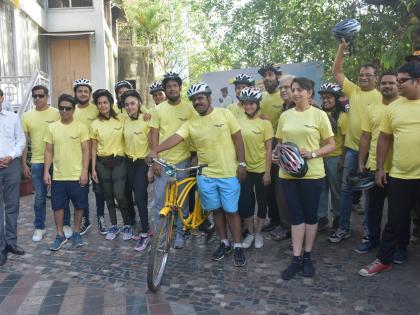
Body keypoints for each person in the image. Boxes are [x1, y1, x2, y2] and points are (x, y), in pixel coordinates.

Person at [148, 82, 247, 267]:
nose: (197, 102)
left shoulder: (225, 114)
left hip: (227, 173)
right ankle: (224, 243)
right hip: (206, 174)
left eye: (201, 98)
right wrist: (156, 150)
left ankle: (238, 246)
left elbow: (238, 140)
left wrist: (241, 163)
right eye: (194, 100)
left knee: (232, 211)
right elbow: (175, 139)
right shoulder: (191, 123)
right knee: (216, 211)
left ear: (209, 98)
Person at [359, 62, 420, 276]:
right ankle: (384, 259)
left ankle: (403, 250)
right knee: (396, 220)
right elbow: (384, 139)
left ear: (417, 81)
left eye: (402, 80)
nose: (398, 84)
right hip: (401, 175)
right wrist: (380, 168)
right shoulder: (393, 107)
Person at [275, 77, 335, 280]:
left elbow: (331, 144)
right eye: (293, 89)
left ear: (310, 93)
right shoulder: (285, 116)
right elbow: (279, 143)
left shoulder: (319, 115)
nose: (296, 93)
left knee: (310, 216)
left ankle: (307, 256)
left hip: (312, 174)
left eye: (300, 89)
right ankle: (296, 258)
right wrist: (277, 155)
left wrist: (313, 153)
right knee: (296, 217)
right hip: (287, 174)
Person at [329, 39, 382, 243]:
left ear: (375, 78)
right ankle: (343, 228)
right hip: (351, 150)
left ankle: (369, 230)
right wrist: (342, 49)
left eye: (368, 75)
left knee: (370, 194)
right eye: (361, 75)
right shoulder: (353, 91)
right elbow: (337, 71)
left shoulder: (381, 96)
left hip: (373, 152)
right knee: (346, 190)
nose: (364, 78)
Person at [149, 71, 197, 249]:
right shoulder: (158, 109)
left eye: (174, 85)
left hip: (183, 162)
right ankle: (159, 239)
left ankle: (181, 232)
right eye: (168, 86)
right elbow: (153, 133)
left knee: (182, 202)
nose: (172, 89)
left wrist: (194, 156)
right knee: (160, 202)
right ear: (165, 90)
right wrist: (155, 160)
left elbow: (195, 134)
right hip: (163, 163)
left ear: (179, 88)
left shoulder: (189, 108)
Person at [355, 72, 400, 254]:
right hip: (375, 166)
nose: (387, 86)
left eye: (391, 83)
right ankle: (372, 239)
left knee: (398, 211)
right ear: (379, 85)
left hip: (399, 168)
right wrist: (361, 160)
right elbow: (365, 136)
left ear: (398, 85)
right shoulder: (371, 108)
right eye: (383, 83)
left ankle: (397, 245)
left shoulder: (404, 107)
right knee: (373, 209)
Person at [21, 85, 72, 242]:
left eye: (41, 96)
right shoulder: (27, 116)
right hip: (37, 162)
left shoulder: (58, 113)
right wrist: (24, 164)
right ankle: (39, 227)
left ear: (47, 97)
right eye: (34, 96)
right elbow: (24, 143)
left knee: (62, 196)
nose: (37, 99)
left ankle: (66, 224)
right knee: (39, 198)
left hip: (58, 162)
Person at [44, 94, 90, 251]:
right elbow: (49, 151)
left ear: (74, 109)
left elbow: (86, 151)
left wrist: (85, 172)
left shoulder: (81, 127)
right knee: (57, 207)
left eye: (68, 108)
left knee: (79, 206)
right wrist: (46, 172)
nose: (64, 111)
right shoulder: (52, 127)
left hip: (77, 176)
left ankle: (77, 232)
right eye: (61, 108)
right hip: (58, 176)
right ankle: (60, 235)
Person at [91, 89, 132, 240]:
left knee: (120, 195)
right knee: (108, 195)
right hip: (102, 163)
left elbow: (138, 115)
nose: (102, 105)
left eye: (105, 102)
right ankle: (114, 225)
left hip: (119, 161)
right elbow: (93, 147)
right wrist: (93, 168)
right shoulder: (94, 124)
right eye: (99, 103)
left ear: (111, 103)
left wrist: (147, 115)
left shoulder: (122, 118)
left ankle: (127, 224)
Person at [237, 87, 273, 249]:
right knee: (245, 203)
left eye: (252, 103)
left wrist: (267, 172)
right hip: (245, 168)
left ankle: (258, 233)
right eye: (246, 104)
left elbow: (269, 149)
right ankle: (250, 233)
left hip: (260, 168)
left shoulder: (265, 123)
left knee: (262, 201)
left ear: (257, 104)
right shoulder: (238, 122)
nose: (249, 106)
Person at [73, 78, 107, 235]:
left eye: (86, 91)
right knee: (82, 189)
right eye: (80, 91)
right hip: (77, 156)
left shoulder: (96, 108)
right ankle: (85, 220)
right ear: (75, 93)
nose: (83, 93)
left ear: (90, 93)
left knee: (99, 189)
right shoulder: (71, 109)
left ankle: (101, 218)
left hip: (95, 155)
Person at [122, 90, 152, 251]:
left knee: (140, 197)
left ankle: (145, 233)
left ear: (139, 103)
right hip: (128, 162)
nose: (129, 107)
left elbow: (154, 144)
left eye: (132, 103)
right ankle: (140, 225)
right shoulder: (124, 120)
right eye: (126, 104)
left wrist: (151, 167)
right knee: (132, 196)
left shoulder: (147, 119)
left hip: (142, 163)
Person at [317, 83, 348, 232]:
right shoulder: (319, 114)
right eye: (323, 98)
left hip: (335, 158)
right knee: (321, 188)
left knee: (336, 190)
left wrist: (343, 159)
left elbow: (346, 139)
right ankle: (321, 217)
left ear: (336, 98)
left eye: (329, 97)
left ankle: (338, 216)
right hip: (319, 157)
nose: (325, 100)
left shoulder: (343, 116)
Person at [258, 63, 284, 234]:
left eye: (270, 75)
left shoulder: (284, 96)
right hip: (262, 144)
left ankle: (283, 221)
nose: (267, 78)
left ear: (277, 77)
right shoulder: (260, 97)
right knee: (266, 185)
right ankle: (273, 219)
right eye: (265, 75)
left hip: (279, 144)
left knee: (279, 186)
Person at [0, 93, 26, 266]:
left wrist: (11, 156)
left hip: (11, 165)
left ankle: (11, 242)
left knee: (12, 206)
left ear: (1, 98)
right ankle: (0, 247)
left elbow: (21, 140)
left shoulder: (12, 117)